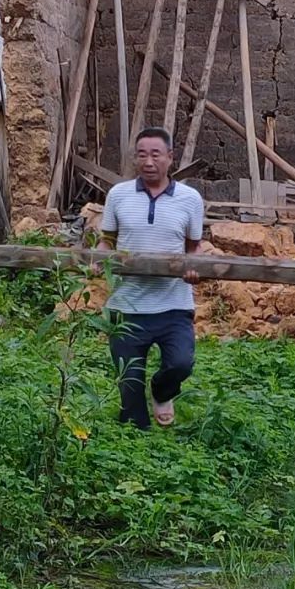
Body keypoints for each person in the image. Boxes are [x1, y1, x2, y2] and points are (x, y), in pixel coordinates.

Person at [98, 128, 204, 429]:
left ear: (170, 158)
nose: (148, 161)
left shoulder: (190, 199)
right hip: (127, 305)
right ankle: (133, 444)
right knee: (129, 385)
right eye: (141, 154)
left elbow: (193, 246)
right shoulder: (118, 195)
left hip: (173, 305)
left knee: (181, 363)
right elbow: (107, 240)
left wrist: (193, 267)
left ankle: (162, 391)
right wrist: (97, 261)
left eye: (156, 154)